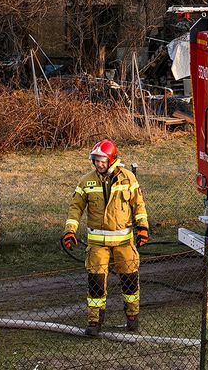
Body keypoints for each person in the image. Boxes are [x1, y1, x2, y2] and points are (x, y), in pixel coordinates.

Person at [64, 139, 150, 335]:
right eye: (95, 160)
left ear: (111, 160)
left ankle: (132, 317)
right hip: (97, 245)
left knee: (130, 280)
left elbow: (139, 205)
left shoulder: (128, 179)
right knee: (95, 284)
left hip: (124, 242)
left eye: (102, 160)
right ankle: (94, 322)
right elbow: (75, 208)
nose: (98, 164)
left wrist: (143, 228)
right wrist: (70, 230)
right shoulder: (86, 181)